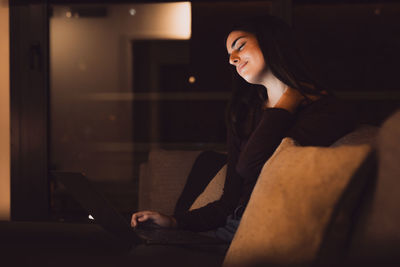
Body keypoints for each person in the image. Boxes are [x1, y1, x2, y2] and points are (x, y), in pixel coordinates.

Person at [131, 15, 356, 243]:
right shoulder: (243, 114)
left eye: (240, 46)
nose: (232, 59)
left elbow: (252, 164)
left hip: (268, 231)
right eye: (230, 54)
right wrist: (173, 222)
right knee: (145, 247)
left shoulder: (325, 110)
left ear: (271, 41)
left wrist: (288, 101)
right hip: (231, 228)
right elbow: (228, 202)